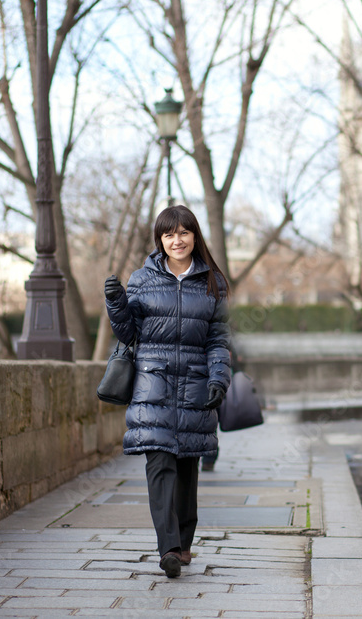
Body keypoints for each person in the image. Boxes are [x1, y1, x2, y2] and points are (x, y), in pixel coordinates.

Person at [104, 205, 231, 579]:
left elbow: (219, 339)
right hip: (152, 386)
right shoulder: (142, 278)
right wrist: (116, 303)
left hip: (195, 385)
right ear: (160, 239)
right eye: (168, 234)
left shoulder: (214, 283)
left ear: (195, 237)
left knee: (187, 466)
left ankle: (185, 542)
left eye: (184, 233)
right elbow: (128, 335)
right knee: (159, 463)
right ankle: (169, 548)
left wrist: (218, 379)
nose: (177, 240)